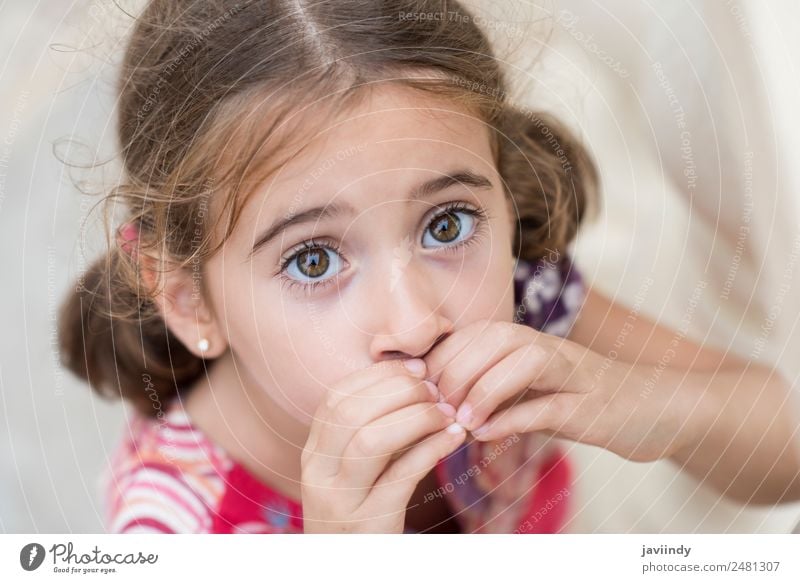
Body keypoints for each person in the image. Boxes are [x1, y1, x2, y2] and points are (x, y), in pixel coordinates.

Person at [57, 0, 799, 534]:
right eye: (313, 259)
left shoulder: (522, 294)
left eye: (446, 223)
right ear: (190, 301)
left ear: (502, 193)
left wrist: (653, 406)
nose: (416, 320)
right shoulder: (170, 518)